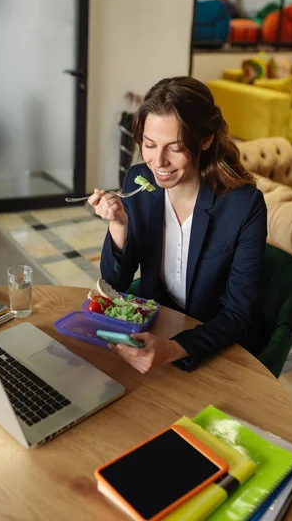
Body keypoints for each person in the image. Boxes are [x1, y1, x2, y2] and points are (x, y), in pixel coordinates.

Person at [89, 77, 267, 374]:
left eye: (175, 147)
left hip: (212, 343)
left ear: (206, 139)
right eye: (149, 144)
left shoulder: (244, 205)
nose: (158, 162)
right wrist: (119, 227)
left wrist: (172, 349)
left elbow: (237, 314)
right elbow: (116, 283)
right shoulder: (138, 181)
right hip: (156, 326)